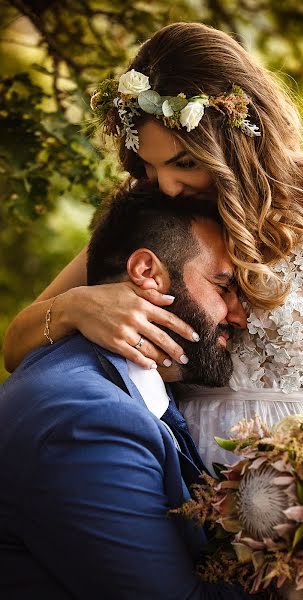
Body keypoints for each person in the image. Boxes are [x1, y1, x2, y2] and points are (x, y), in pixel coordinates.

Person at [3, 22, 303, 474]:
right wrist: (77, 307)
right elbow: (17, 346)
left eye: (185, 163)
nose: (167, 187)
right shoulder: (160, 219)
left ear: (238, 139)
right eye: (152, 168)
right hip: (178, 488)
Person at [0, 186, 255, 599]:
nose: (241, 316)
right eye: (222, 286)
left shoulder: (113, 380)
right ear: (148, 273)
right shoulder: (88, 422)